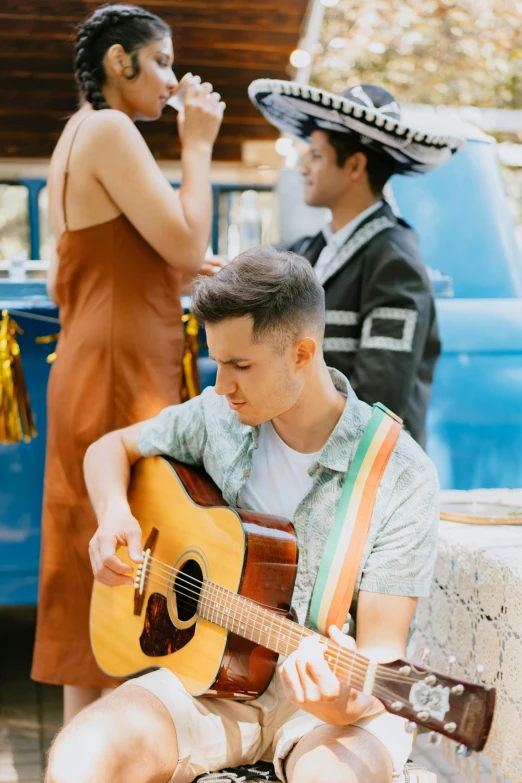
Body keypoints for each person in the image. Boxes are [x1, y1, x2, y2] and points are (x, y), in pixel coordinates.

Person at [45, 247, 439, 783]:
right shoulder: (218, 417)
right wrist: (114, 514)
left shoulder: (399, 473)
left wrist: (338, 705)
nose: (222, 383)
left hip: (331, 713)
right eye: (217, 361)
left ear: (303, 353)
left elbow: (379, 659)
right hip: (212, 683)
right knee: (85, 750)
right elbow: (108, 449)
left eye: (241, 365)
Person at [31, 3, 225, 722]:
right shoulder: (110, 127)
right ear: (122, 62)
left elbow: (74, 273)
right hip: (118, 372)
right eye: (164, 62)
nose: (172, 81)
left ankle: (84, 749)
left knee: (97, 556)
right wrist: (198, 145)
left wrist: (166, 271)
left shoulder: (77, 133)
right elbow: (182, 241)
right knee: (122, 554)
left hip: (92, 362)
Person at [249, 80, 466, 447]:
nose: (303, 166)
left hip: (363, 480)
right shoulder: (311, 249)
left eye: (315, 155)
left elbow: (379, 403)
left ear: (354, 166)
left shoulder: (394, 261)